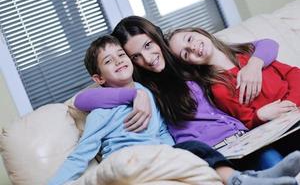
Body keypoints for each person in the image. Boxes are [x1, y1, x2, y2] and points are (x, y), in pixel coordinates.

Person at [48, 35, 299, 185]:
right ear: (99, 78)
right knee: (194, 148)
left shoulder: (152, 90)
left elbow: (164, 135)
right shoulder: (104, 110)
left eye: (120, 55)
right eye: (108, 61)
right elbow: (82, 121)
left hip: (168, 153)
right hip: (131, 158)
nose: (119, 61)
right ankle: (237, 178)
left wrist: (139, 93)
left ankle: (258, 178)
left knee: (192, 149)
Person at [75, 16, 283, 170]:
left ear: (157, 39)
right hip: (208, 156)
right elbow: (82, 100)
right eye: (136, 56)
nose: (148, 58)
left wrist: (254, 65)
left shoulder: (186, 56)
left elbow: (267, 44)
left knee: (274, 161)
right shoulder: (142, 86)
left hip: (245, 139)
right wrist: (135, 96)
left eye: (148, 45)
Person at [166, 26, 300, 157]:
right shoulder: (219, 88)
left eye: (189, 39)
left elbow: (294, 74)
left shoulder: (251, 54)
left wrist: (290, 103)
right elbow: (247, 122)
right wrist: (260, 116)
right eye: (186, 53)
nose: (192, 47)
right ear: (189, 64)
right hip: (283, 129)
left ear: (200, 32)